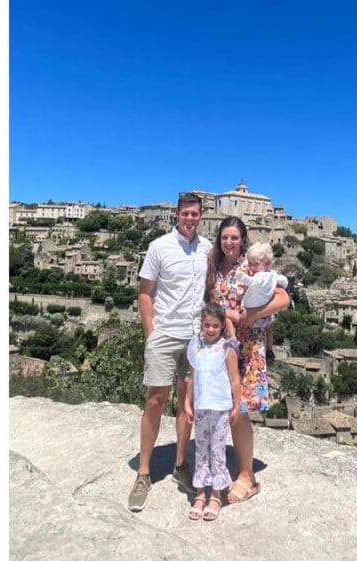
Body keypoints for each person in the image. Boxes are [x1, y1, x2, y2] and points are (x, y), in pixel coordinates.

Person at [128, 192, 212, 512]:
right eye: (185, 213)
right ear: (177, 214)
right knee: (155, 401)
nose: (189, 218)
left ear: (201, 216)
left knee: (187, 404)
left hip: (195, 339)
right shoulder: (158, 247)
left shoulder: (207, 250)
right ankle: (144, 473)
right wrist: (151, 334)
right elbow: (145, 293)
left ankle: (180, 464)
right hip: (165, 335)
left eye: (194, 214)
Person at [204, 217, 290, 505]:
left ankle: (247, 476)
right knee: (222, 407)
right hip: (218, 347)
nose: (229, 242)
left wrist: (252, 316)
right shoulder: (214, 268)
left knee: (239, 410)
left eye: (235, 238)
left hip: (246, 346)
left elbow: (283, 299)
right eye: (225, 237)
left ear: (243, 240)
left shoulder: (250, 266)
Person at [184, 303, 240, 521]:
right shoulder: (195, 347)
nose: (210, 330)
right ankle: (200, 494)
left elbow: (235, 380)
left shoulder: (227, 348)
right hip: (200, 406)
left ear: (221, 326)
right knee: (200, 450)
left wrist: (236, 405)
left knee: (217, 451)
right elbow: (191, 377)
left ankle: (216, 495)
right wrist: (188, 404)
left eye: (215, 326)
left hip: (220, 407)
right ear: (202, 325)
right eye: (207, 325)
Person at [235, 242, 288, 332]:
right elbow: (283, 280)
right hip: (260, 319)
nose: (251, 267)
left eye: (255, 264)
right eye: (250, 263)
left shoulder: (262, 277)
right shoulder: (272, 275)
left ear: (267, 263)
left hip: (255, 317)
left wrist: (240, 276)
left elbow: (284, 298)